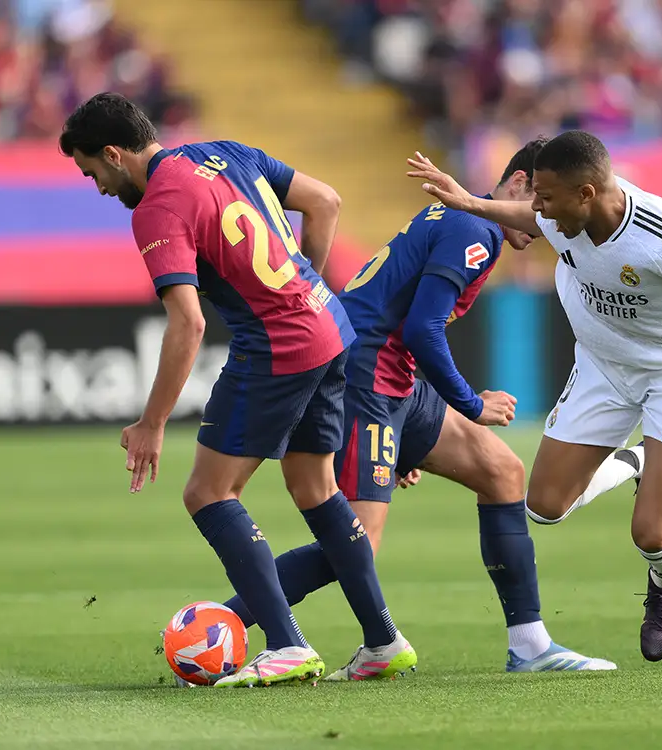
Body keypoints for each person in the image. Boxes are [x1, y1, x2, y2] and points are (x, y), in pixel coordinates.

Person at [222, 138, 628, 674]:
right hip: (365, 378)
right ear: (519, 185)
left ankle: (530, 647)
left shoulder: (466, 223)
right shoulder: (475, 229)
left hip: (395, 381)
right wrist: (470, 403)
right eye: (543, 202)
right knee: (356, 543)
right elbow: (422, 328)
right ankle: (221, 621)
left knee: (502, 472)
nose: (547, 219)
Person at [408, 130, 662, 663]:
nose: (539, 210)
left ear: (587, 194)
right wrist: (467, 200)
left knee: (652, 533)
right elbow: (528, 218)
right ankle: (639, 459)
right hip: (603, 367)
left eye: (547, 198)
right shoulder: (560, 209)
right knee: (544, 507)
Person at [60, 92, 407, 687]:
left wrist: (152, 422)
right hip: (330, 326)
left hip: (278, 344)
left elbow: (189, 322)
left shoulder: (157, 210)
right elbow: (325, 202)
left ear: (114, 155)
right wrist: (307, 285)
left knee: (208, 493)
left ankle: (287, 644)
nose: (98, 187)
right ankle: (382, 640)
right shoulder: (223, 152)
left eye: (92, 172)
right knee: (314, 485)